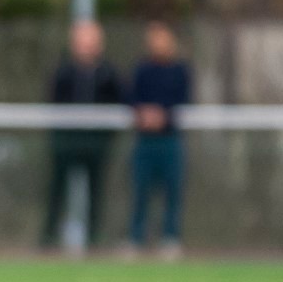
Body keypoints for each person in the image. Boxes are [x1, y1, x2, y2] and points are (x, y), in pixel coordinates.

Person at [43, 19, 124, 250]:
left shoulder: (108, 73)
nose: (86, 47)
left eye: (90, 41)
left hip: (95, 143)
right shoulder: (63, 72)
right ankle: (48, 237)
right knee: (57, 190)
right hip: (66, 142)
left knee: (96, 191)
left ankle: (94, 238)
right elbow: (54, 100)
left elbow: (118, 100)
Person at [127, 21, 191, 259]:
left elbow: (184, 100)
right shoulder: (142, 70)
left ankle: (170, 237)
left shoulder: (180, 71)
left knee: (173, 190)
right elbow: (131, 97)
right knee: (140, 190)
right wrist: (143, 114)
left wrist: (163, 116)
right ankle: (135, 238)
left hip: (170, 140)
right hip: (145, 140)